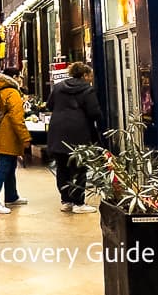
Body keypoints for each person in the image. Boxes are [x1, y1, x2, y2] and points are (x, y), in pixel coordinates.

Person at [46, 61, 102, 214]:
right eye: (89, 75)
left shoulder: (58, 87)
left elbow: (49, 105)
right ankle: (78, 203)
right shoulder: (87, 90)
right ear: (84, 75)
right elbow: (94, 112)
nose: (91, 78)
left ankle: (66, 201)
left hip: (57, 132)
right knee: (79, 168)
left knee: (62, 167)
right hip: (79, 132)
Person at [0, 67, 32, 214]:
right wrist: (25, 137)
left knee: (10, 165)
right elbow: (17, 118)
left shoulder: (0, 90)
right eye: (19, 76)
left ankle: (11, 196)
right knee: (4, 166)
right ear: (15, 77)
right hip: (9, 133)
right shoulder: (12, 92)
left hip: (0, 132)